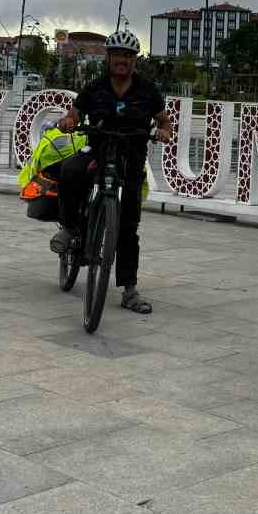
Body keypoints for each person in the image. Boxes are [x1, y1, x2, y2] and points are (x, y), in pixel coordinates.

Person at [50, 30, 174, 314]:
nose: (122, 60)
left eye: (128, 56)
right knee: (70, 171)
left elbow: (164, 121)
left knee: (129, 228)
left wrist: (164, 132)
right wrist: (68, 121)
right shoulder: (95, 87)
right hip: (99, 152)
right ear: (108, 58)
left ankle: (129, 291)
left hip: (130, 160)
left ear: (134, 60)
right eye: (117, 55)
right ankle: (70, 229)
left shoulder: (147, 90)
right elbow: (74, 113)